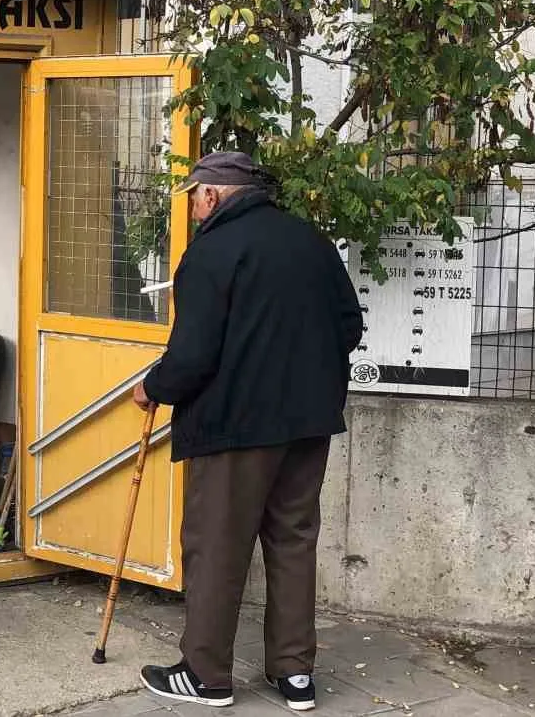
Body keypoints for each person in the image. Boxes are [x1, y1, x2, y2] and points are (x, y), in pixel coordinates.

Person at [134, 151, 363, 712]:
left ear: (214, 194)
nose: (190, 205)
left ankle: (205, 674)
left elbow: (192, 355)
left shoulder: (211, 251)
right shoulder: (310, 241)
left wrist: (153, 386)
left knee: (217, 545)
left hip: (234, 426)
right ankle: (295, 674)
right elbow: (349, 326)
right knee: (292, 540)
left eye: (194, 194)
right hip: (307, 422)